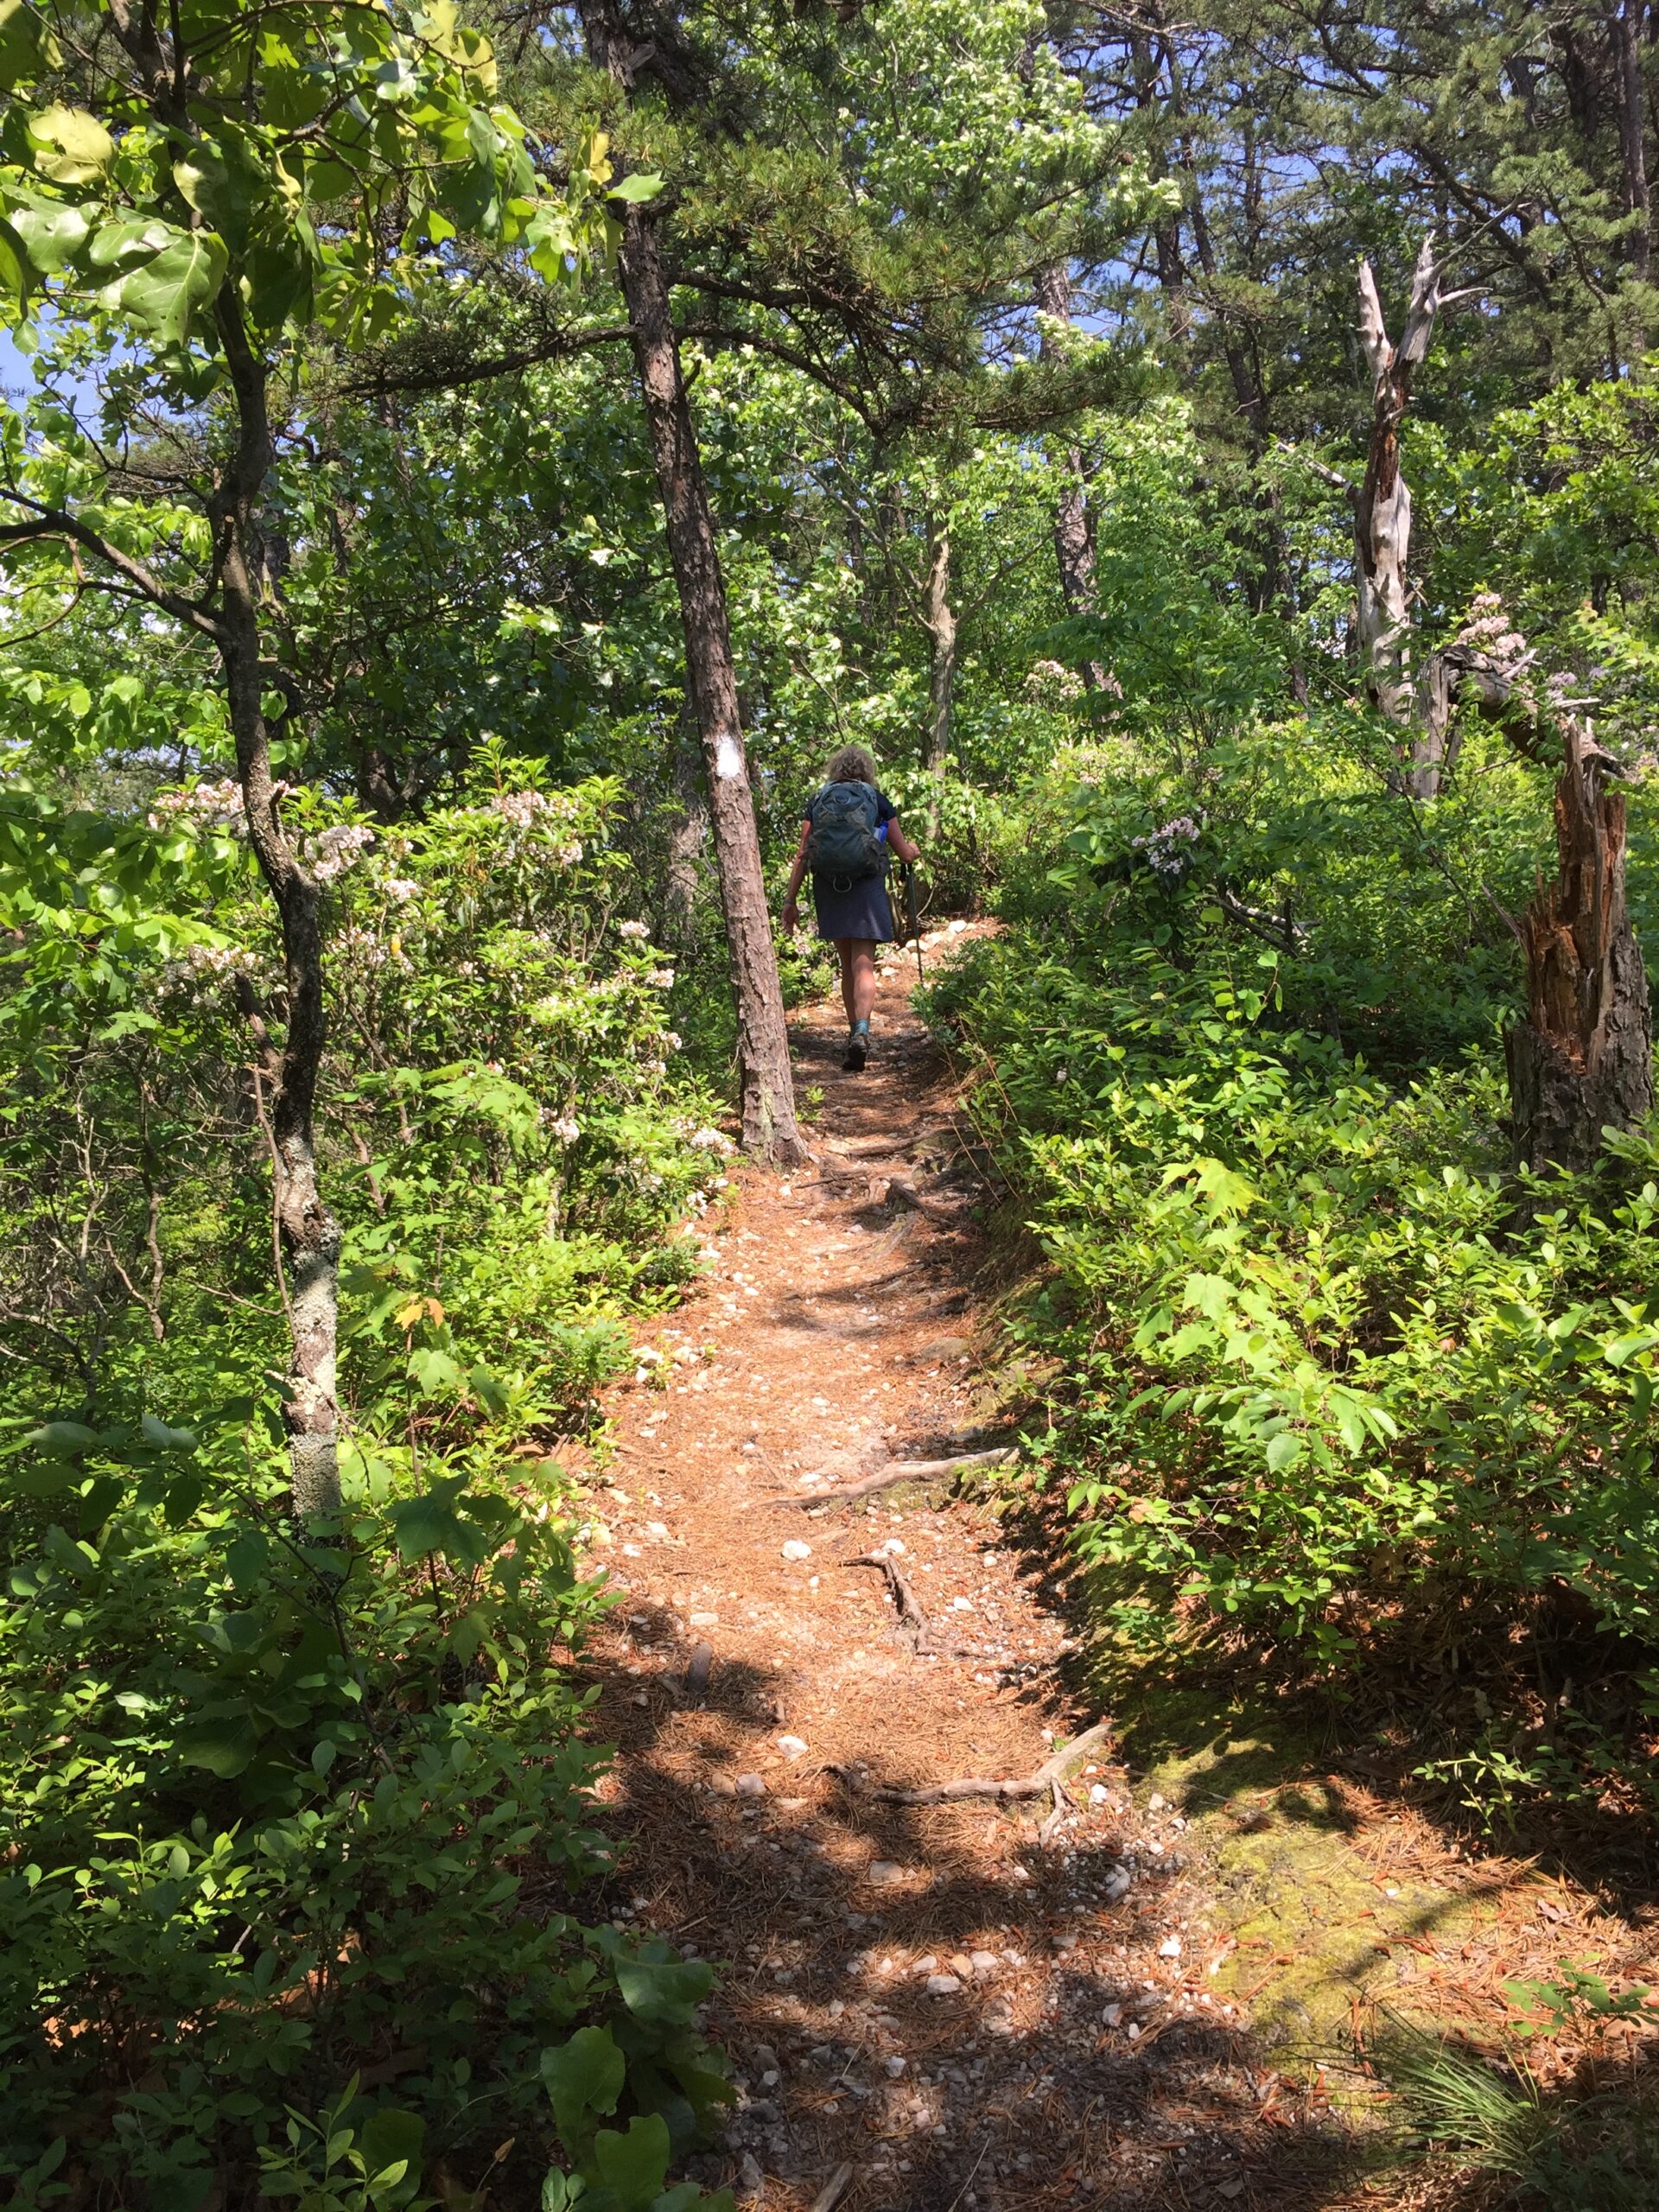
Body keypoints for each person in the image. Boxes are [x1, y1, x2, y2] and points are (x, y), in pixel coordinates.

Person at [780, 744, 922, 1071]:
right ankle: (861, 1031)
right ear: (867, 770)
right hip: (866, 887)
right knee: (864, 965)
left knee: (848, 965)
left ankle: (853, 1036)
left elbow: (803, 854)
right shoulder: (877, 800)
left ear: (836, 769)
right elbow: (903, 852)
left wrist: (790, 901)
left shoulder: (819, 800)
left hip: (830, 888)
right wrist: (913, 852)